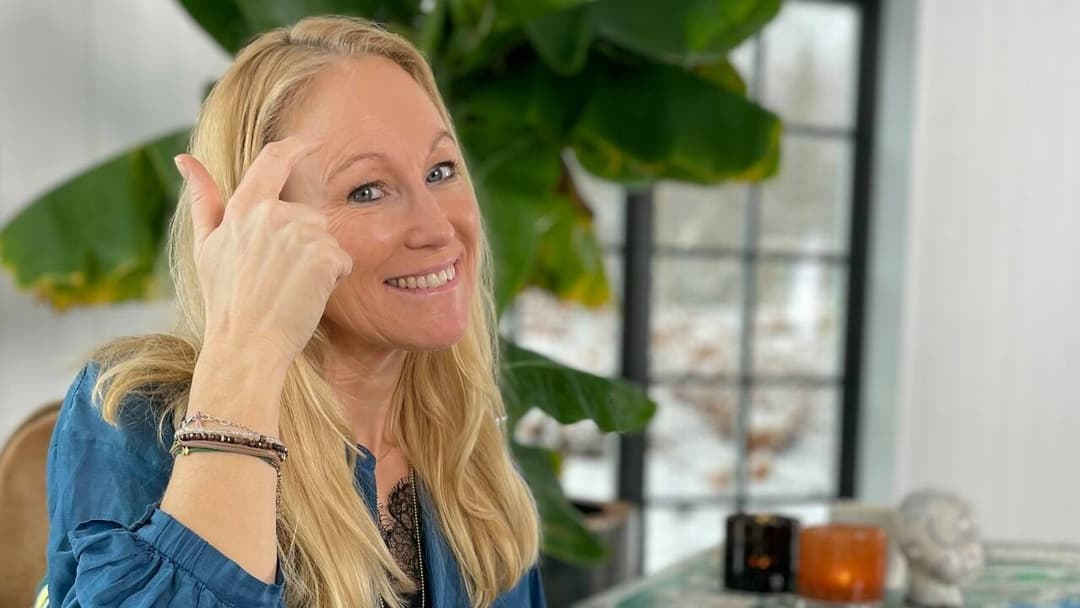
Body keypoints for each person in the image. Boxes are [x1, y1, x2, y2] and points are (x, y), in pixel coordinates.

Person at [41, 15, 546, 608]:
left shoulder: (459, 435)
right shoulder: (138, 415)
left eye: (440, 171)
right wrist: (248, 351)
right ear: (259, 229)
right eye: (367, 190)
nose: (438, 229)